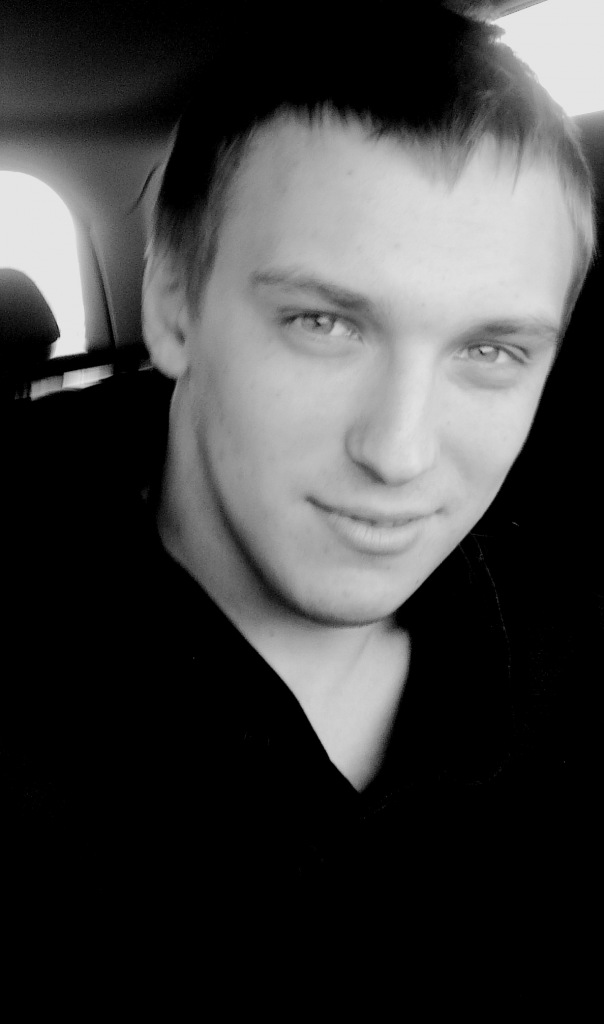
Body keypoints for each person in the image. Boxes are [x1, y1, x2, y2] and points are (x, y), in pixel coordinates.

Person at [2, 1, 601, 982]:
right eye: (323, 324)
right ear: (173, 306)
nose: (399, 452)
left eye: (490, 351)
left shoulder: (574, 642)